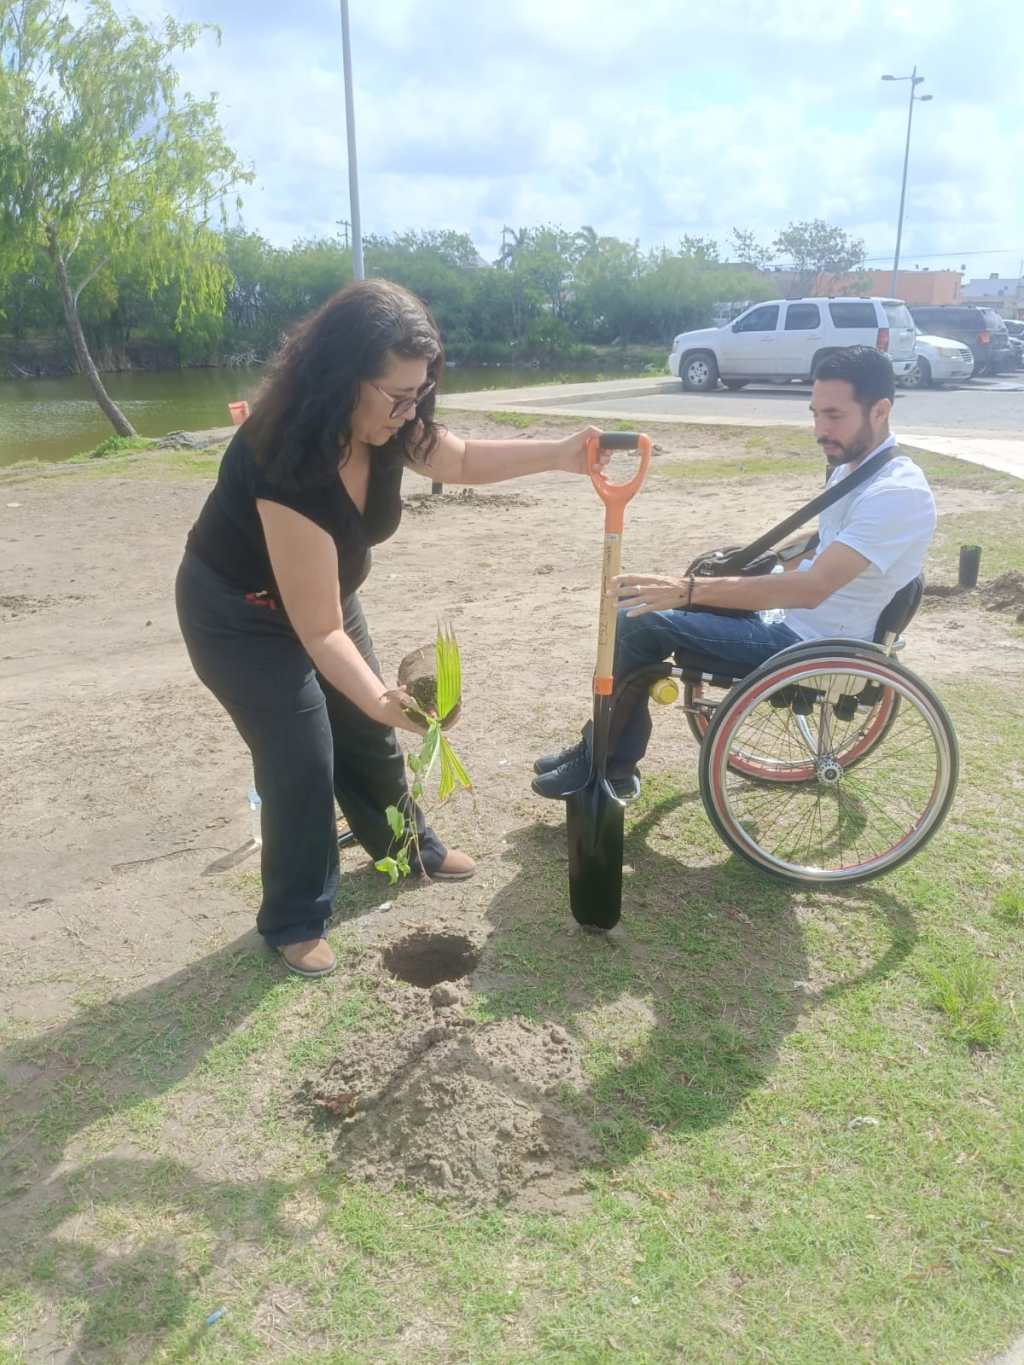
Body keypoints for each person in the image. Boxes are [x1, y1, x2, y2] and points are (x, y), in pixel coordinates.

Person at [176, 278, 601, 977]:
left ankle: (405, 849)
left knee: (368, 738)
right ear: (341, 376)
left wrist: (562, 452)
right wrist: (379, 695)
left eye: (419, 393)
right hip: (240, 615)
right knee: (303, 753)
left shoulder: (391, 424)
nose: (410, 413)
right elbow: (316, 633)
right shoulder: (285, 453)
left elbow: (458, 460)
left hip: (323, 597)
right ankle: (294, 915)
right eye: (396, 395)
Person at [532, 345, 937, 800]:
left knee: (640, 622)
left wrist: (686, 591)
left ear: (880, 410)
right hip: (793, 622)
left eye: (834, 415)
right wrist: (753, 562)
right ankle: (598, 749)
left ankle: (607, 765)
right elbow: (823, 542)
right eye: (814, 413)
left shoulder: (896, 494)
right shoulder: (854, 467)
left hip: (808, 642)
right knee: (642, 604)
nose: (820, 429)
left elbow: (812, 588)